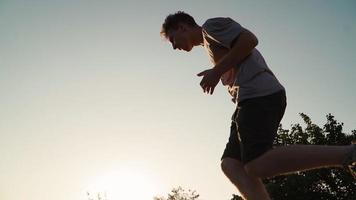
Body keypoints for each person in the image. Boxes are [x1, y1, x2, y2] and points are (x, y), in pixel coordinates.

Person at [160, 11, 355, 200]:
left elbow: (250, 40)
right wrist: (218, 71)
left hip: (260, 95)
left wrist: (216, 71)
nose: (174, 47)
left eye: (172, 39)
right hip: (246, 102)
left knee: (256, 164)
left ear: (182, 27)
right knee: (230, 164)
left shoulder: (211, 26)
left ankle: (348, 154)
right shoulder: (209, 44)